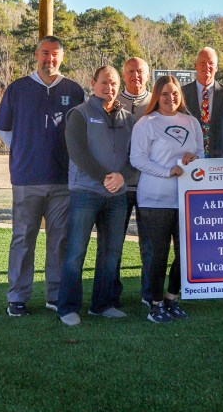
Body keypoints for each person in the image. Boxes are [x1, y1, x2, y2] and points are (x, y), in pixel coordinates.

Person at [0, 35, 85, 317]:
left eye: (55, 54)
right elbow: (3, 129)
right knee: (23, 238)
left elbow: (81, 134)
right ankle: (17, 297)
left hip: (62, 180)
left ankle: (55, 294)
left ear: (62, 57)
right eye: (45, 53)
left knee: (59, 240)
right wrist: (25, 149)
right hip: (26, 179)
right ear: (36, 55)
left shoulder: (74, 90)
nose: (50, 59)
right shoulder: (18, 89)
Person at [58, 67, 135, 327]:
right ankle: (68, 307)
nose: (109, 88)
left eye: (113, 83)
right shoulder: (79, 113)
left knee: (111, 253)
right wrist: (105, 177)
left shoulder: (128, 118)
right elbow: (77, 152)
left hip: (117, 195)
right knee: (76, 251)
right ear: (93, 84)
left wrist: (122, 176)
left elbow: (134, 156)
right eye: (104, 83)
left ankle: (102, 305)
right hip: (86, 192)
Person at [130, 75, 202, 324]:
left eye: (174, 93)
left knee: (186, 253)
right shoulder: (146, 123)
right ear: (156, 97)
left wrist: (194, 158)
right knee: (158, 254)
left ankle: (172, 298)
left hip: (185, 200)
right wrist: (166, 171)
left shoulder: (191, 122)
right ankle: (156, 303)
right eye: (164, 94)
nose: (170, 98)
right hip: (154, 200)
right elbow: (137, 159)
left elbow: (201, 153)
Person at [115, 57, 152, 306]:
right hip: (119, 186)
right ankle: (110, 294)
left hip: (150, 185)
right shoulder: (112, 101)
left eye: (140, 72)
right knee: (113, 243)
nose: (135, 76)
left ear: (147, 75)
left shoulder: (158, 101)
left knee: (150, 244)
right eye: (130, 72)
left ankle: (149, 293)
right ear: (123, 75)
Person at [182, 47, 223, 158]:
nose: (207, 66)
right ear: (195, 65)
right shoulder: (181, 94)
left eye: (211, 63)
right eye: (202, 62)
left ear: (216, 68)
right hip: (190, 161)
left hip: (222, 163)